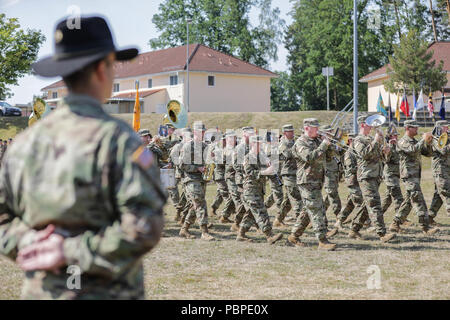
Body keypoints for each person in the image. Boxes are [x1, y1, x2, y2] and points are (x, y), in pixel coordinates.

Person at [0, 16, 166, 299]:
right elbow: (144, 225)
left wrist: (33, 243)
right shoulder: (118, 140)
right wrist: (70, 251)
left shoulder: (24, 144)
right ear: (103, 68)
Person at [286, 118, 336, 251]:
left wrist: (329, 145)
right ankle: (322, 240)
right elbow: (309, 157)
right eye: (315, 127)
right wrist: (324, 145)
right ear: (307, 128)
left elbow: (329, 157)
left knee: (308, 210)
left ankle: (294, 236)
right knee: (316, 209)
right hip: (306, 181)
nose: (318, 129)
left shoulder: (317, 141)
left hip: (317, 180)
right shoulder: (301, 142)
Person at [348, 116, 395, 243]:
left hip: (376, 175)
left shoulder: (371, 139)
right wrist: (375, 141)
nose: (372, 127)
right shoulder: (358, 140)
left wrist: (386, 152)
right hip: (366, 176)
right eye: (369, 124)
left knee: (366, 205)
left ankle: (354, 229)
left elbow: (382, 159)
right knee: (375, 204)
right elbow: (364, 154)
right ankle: (382, 234)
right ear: (362, 125)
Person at [389, 120, 439, 235]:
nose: (417, 129)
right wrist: (422, 140)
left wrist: (429, 142)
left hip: (415, 176)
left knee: (408, 202)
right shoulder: (402, 142)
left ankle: (395, 223)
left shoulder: (415, 141)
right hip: (408, 176)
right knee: (418, 200)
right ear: (407, 128)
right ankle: (425, 228)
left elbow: (428, 153)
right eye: (414, 127)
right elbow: (412, 150)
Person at [236, 135, 283, 244]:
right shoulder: (248, 157)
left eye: (260, 143)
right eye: (257, 143)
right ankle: (269, 236)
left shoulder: (261, 157)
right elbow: (250, 173)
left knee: (251, 214)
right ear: (252, 144)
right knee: (261, 212)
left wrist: (270, 167)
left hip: (259, 189)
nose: (259, 145)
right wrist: (265, 172)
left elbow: (270, 171)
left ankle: (241, 234)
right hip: (250, 190)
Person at [179, 122, 215, 241]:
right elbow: (182, 165)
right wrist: (197, 168)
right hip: (190, 179)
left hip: (201, 179)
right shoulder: (188, 146)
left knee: (194, 206)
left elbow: (208, 162)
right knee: (200, 203)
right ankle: (204, 232)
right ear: (195, 132)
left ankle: (184, 229)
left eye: (204, 131)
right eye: (201, 131)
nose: (203, 133)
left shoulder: (205, 146)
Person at [276, 124, 303, 226]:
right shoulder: (282, 143)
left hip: (296, 173)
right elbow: (288, 154)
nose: (292, 133)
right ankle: (300, 222)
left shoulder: (295, 142)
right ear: (284, 133)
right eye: (289, 131)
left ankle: (278, 219)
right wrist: (298, 148)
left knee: (288, 200)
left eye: (292, 131)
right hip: (287, 174)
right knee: (296, 198)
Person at [380, 125, 404, 216]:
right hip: (390, 175)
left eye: (397, 135)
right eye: (394, 135)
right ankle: (400, 218)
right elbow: (386, 160)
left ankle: (376, 216)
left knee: (388, 199)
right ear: (389, 136)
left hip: (396, 175)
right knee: (398, 197)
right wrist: (389, 147)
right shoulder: (385, 146)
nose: (396, 137)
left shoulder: (397, 145)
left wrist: (397, 144)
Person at [428, 120, 450, 220]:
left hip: (446, 169)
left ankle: (429, 217)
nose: (447, 129)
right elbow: (443, 150)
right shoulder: (436, 139)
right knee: (447, 193)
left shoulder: (447, 138)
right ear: (440, 128)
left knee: (438, 195)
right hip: (440, 170)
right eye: (445, 127)